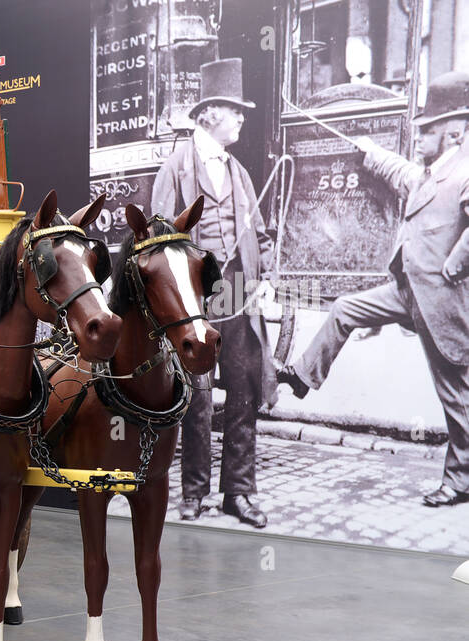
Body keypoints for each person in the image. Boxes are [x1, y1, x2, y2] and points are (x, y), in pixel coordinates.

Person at [278, 72, 469, 507]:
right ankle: (306, 375)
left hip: (439, 301)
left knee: (456, 397)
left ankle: (460, 481)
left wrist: (452, 269)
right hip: (407, 291)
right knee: (345, 309)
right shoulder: (435, 170)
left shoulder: (465, 170)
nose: (419, 138)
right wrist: (370, 153)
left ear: (453, 132)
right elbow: (405, 176)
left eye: (427, 130)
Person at [152, 57, 277, 528]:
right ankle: (194, 492)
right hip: (197, 303)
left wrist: (265, 279)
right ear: (209, 115)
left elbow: (260, 235)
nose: (243, 117)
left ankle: (239, 494)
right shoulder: (177, 168)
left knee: (243, 391)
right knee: (198, 397)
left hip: (240, 298)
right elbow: (161, 241)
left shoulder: (239, 171)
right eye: (235, 110)